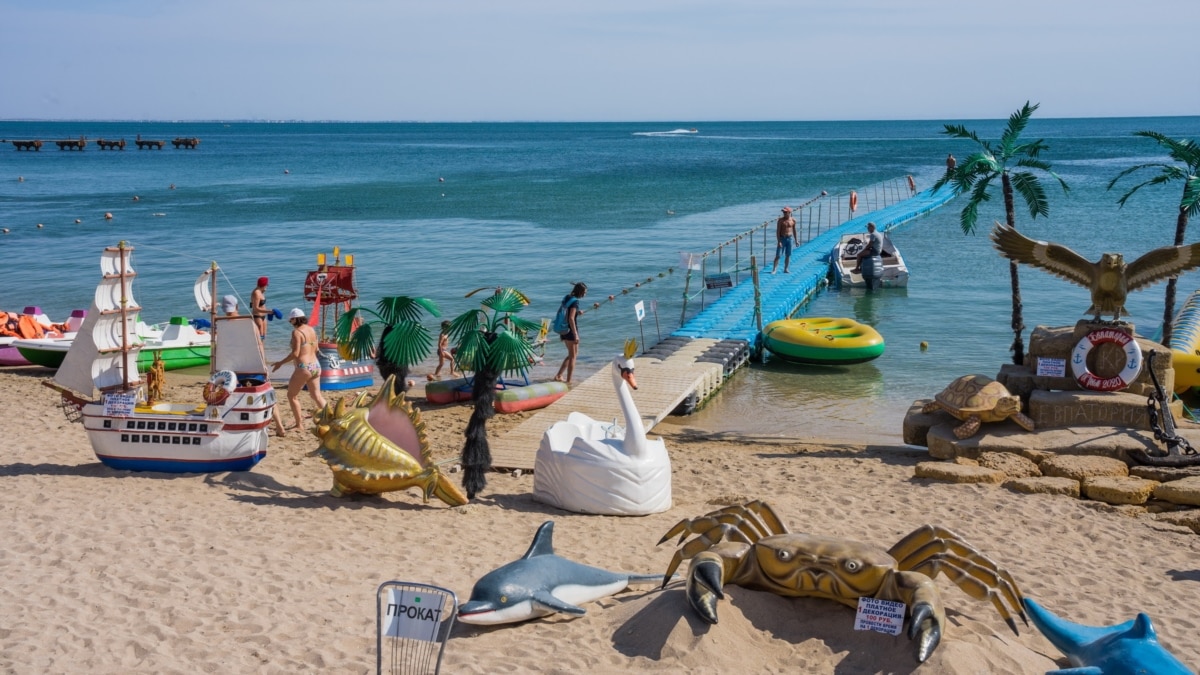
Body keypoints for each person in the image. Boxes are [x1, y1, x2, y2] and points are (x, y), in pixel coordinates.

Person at [271, 308, 326, 431]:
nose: (290, 322)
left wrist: (280, 363)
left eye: (291, 320)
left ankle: (299, 424)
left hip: (304, 367)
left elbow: (295, 354)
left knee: (292, 396)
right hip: (316, 365)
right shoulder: (312, 330)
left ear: (295, 319)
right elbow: (316, 349)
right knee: (317, 396)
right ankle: (333, 419)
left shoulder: (297, 333)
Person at [554, 282, 587, 384]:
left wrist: (577, 312)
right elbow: (571, 319)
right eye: (584, 292)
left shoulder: (567, 297)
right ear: (580, 292)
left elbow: (567, 312)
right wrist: (575, 334)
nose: (585, 294)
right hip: (570, 330)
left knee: (572, 354)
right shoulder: (575, 302)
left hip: (563, 329)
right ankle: (568, 381)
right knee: (573, 357)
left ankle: (559, 375)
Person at [852, 222, 885, 291]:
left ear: (872, 227)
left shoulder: (873, 234)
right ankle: (861, 268)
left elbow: (870, 244)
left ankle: (857, 269)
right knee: (863, 254)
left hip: (874, 251)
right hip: (878, 251)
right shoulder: (878, 233)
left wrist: (864, 250)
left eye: (868, 227)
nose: (867, 229)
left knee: (859, 255)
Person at [772, 206, 796, 273]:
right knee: (778, 255)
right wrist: (779, 241)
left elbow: (794, 230)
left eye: (785, 212)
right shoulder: (780, 220)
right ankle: (774, 269)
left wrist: (796, 240)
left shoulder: (793, 220)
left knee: (788, 255)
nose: (784, 213)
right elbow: (778, 231)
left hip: (790, 238)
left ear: (789, 212)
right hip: (782, 238)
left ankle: (786, 269)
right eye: (783, 212)